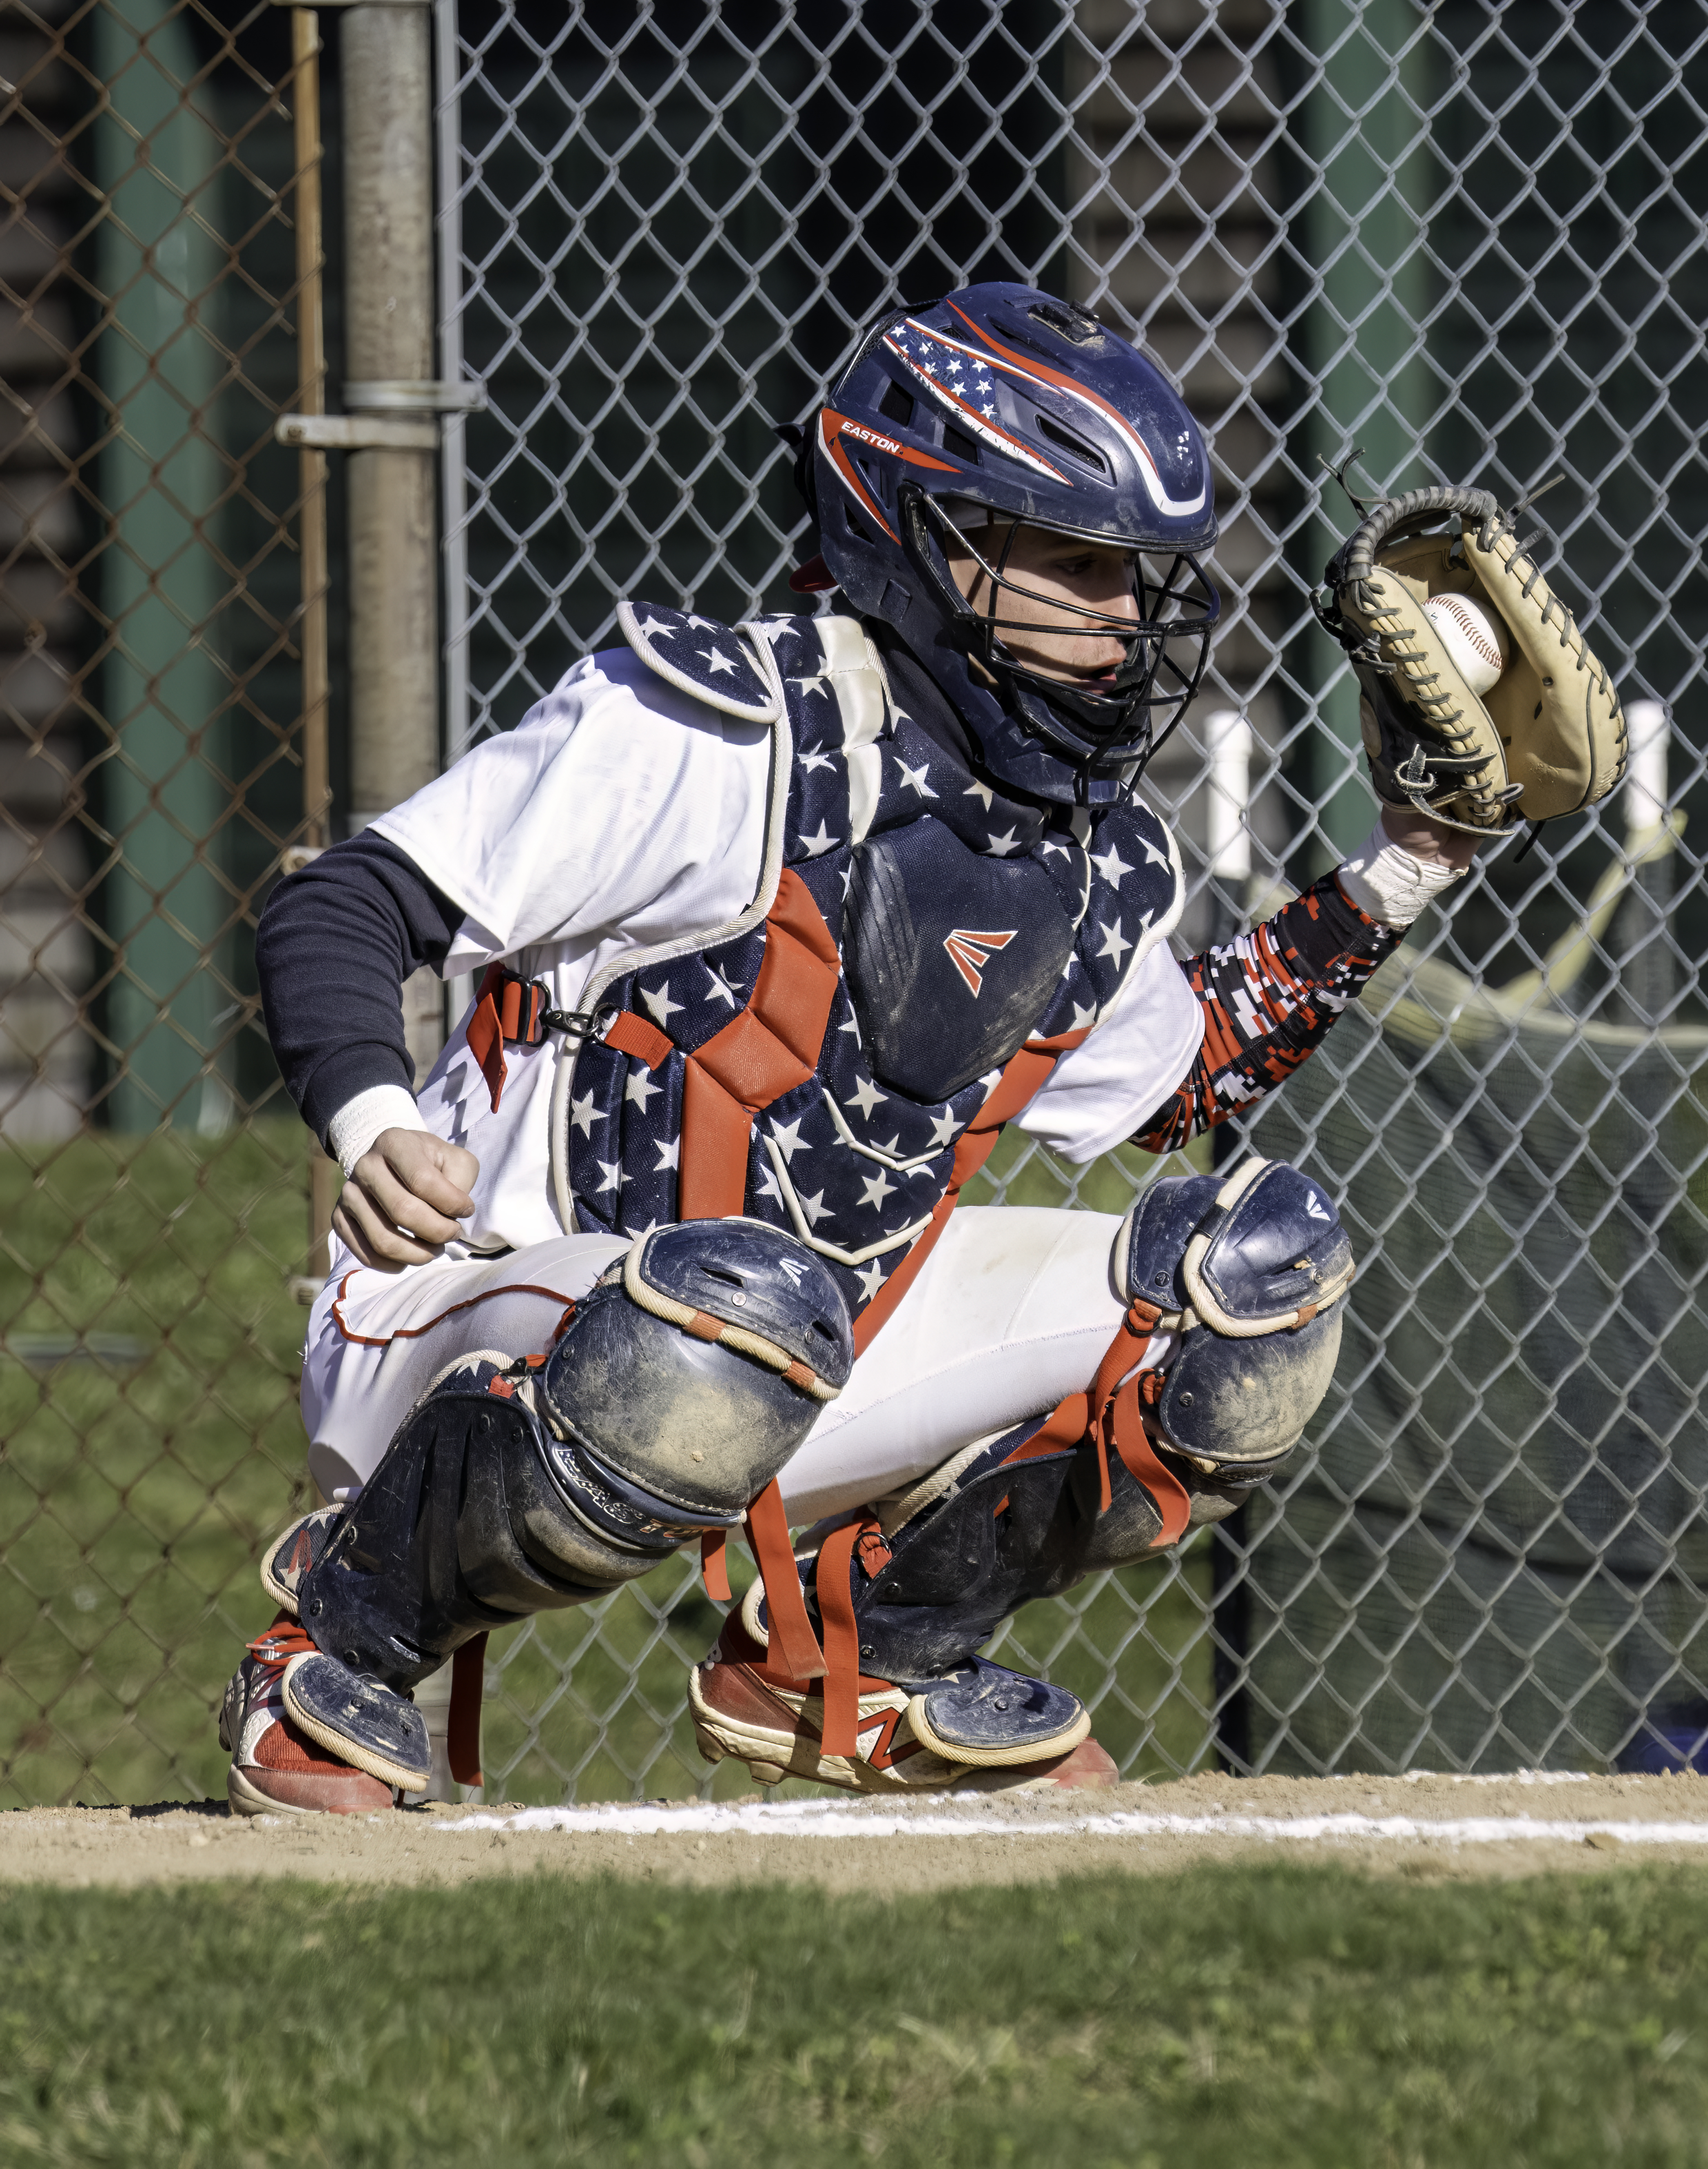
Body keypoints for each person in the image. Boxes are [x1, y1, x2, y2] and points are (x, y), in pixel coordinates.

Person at [221, 282, 1475, 1814]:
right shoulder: (717, 724)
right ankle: (338, 1642)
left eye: (1140, 580)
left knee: (1255, 1283)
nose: (1129, 620)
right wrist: (366, 1123)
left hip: (798, 1346)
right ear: (924, 535)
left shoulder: (1075, 849)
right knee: (734, 1302)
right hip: (474, 1305)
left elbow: (1182, 1079)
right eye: (1076, 567)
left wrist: (1409, 864)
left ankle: (867, 1658)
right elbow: (346, 906)